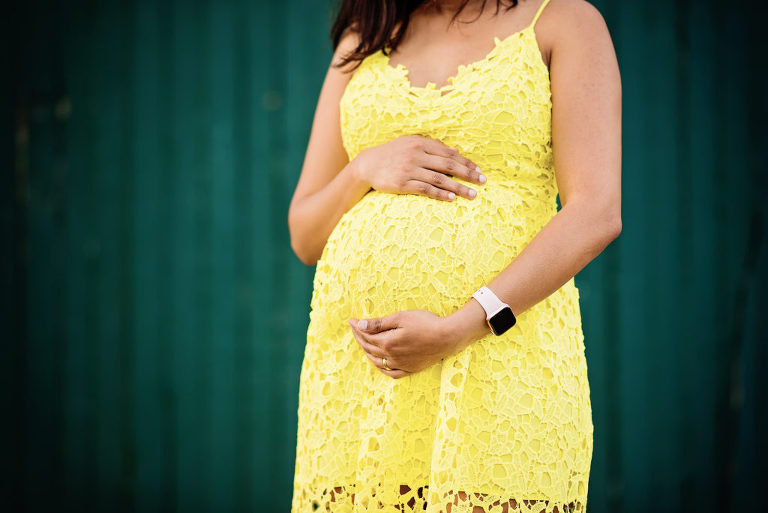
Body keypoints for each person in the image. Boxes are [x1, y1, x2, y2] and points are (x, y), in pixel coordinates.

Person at [287, 0, 621, 511]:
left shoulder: (564, 21)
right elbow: (305, 236)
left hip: (496, 355)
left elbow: (596, 212)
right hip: (365, 377)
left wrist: (460, 326)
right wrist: (364, 169)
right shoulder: (365, 36)